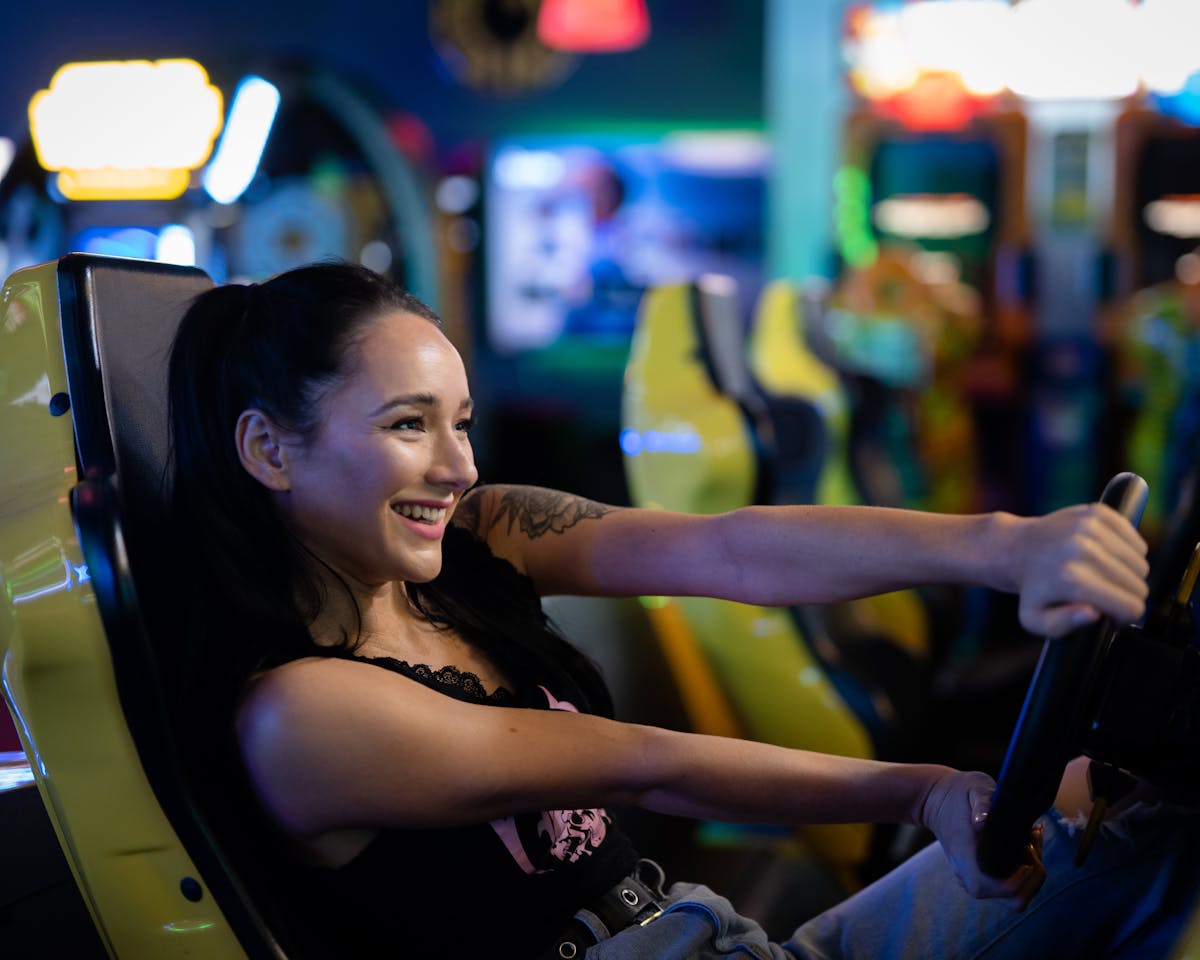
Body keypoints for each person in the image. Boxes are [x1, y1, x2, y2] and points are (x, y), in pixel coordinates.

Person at [164, 261, 1194, 959]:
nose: (459, 466)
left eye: (461, 423)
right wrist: (925, 794)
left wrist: (1002, 545)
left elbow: (725, 546)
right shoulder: (302, 715)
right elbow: (646, 762)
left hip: (724, 938)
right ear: (268, 450)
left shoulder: (473, 541)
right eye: (407, 425)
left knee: (1131, 802)